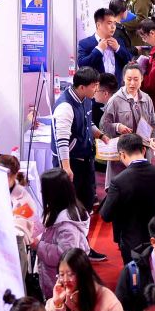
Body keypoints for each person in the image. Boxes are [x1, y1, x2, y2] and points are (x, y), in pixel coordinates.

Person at [99, 134, 155, 263]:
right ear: (144, 150)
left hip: (132, 244)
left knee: (135, 279)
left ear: (122, 155)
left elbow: (106, 215)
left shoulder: (118, 181)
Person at [51, 66, 109, 213]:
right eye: (94, 86)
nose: (97, 89)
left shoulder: (86, 98)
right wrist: (66, 167)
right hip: (71, 162)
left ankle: (83, 233)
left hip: (86, 158)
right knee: (70, 205)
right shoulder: (65, 106)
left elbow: (88, 123)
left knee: (87, 201)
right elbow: (61, 141)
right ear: (82, 87)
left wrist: (101, 135)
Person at [99, 62, 155, 180]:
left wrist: (153, 139)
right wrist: (117, 127)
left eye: (136, 79)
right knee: (122, 183)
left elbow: (153, 123)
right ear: (123, 79)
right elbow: (103, 125)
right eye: (129, 79)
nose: (132, 83)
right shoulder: (115, 100)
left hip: (143, 149)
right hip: (123, 153)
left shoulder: (146, 99)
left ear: (142, 79)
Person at [78, 8, 133, 75]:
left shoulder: (118, 41)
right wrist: (98, 50)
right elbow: (82, 66)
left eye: (114, 23)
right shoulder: (84, 43)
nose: (113, 27)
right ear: (98, 25)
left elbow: (130, 62)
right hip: (97, 84)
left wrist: (118, 48)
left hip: (117, 84)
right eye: (109, 23)